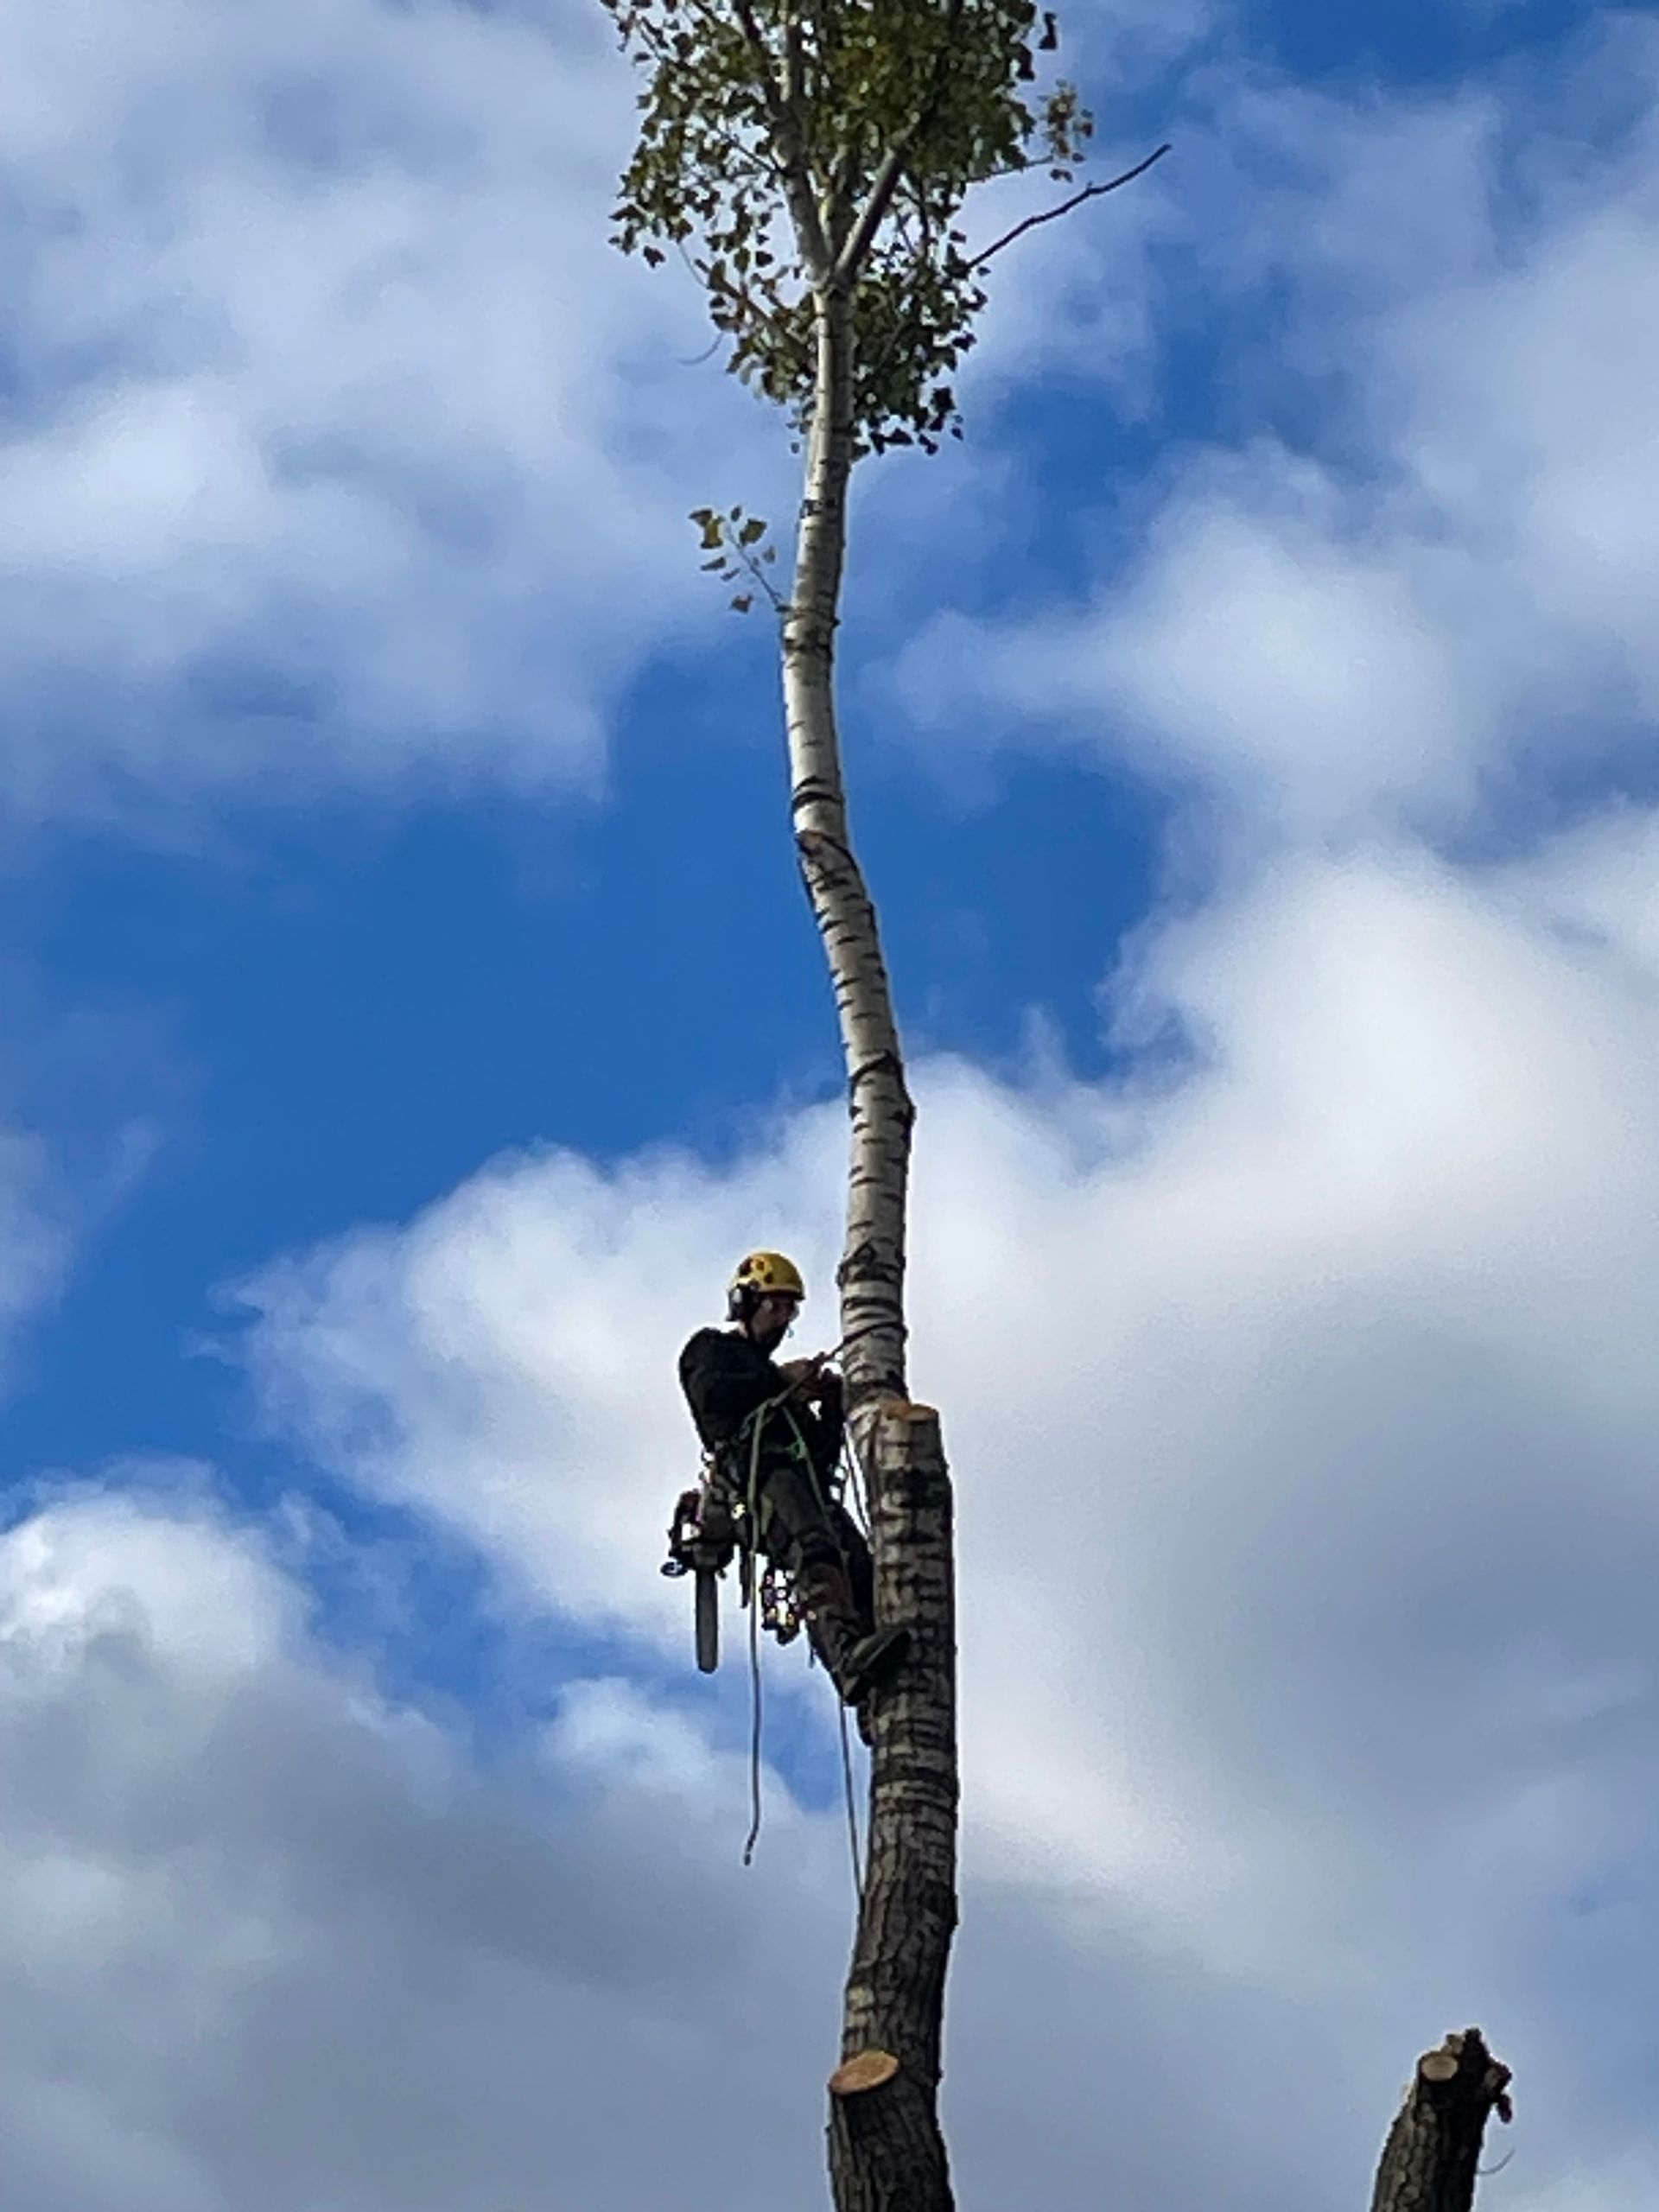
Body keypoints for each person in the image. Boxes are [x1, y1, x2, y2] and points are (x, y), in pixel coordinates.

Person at [677, 1250, 908, 1709]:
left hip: (801, 1484)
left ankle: (874, 1697)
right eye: (775, 1305)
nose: (783, 1318)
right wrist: (780, 1380)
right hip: (757, 1480)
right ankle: (846, 1661)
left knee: (861, 1567)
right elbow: (711, 1395)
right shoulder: (711, 1350)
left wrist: (831, 1406)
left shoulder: (783, 1395)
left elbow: (820, 1457)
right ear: (746, 1302)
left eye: (790, 1309)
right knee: (814, 1548)